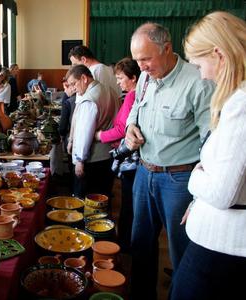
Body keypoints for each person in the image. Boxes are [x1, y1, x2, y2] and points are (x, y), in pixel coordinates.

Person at [125, 23, 214, 299]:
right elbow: (134, 113)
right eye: (137, 60)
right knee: (140, 246)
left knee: (182, 253)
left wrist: (201, 197)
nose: (141, 67)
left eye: (146, 59)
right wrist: (130, 129)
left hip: (179, 180)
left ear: (167, 49)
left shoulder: (198, 81)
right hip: (143, 173)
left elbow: (211, 141)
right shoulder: (145, 78)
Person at [170, 11, 246, 300]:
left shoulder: (240, 105)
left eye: (199, 64)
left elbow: (222, 192)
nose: (200, 73)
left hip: (223, 243)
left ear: (219, 54)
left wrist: (194, 176)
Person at [95, 57, 141, 252]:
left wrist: (100, 135)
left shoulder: (132, 96)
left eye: (121, 78)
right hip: (136, 158)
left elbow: (123, 129)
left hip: (131, 159)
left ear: (134, 78)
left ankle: (124, 244)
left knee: (128, 204)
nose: (118, 82)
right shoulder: (134, 94)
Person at [66, 64, 114, 199]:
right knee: (103, 198)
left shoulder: (89, 99)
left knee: (85, 201)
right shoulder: (109, 90)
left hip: (92, 158)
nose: (73, 88)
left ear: (84, 78)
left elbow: (84, 133)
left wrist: (80, 160)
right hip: (108, 154)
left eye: (74, 84)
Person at [58, 78, 77, 177]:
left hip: (71, 138)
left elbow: (63, 125)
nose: (65, 90)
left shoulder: (68, 102)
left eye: (66, 87)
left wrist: (61, 135)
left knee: (72, 164)